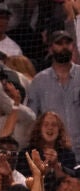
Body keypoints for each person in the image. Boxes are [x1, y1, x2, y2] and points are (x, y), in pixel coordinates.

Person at [27, 31, 80, 159]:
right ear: (50, 49)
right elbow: (31, 118)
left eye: (68, 43)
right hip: (55, 154)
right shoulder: (39, 81)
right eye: (59, 43)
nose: (64, 47)